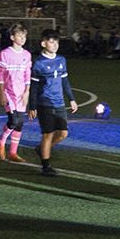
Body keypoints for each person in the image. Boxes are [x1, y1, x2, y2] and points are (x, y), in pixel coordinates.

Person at [29, 28, 77, 176]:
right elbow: (34, 87)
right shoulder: (39, 63)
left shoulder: (61, 60)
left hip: (59, 102)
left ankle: (42, 149)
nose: (55, 44)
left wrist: (72, 99)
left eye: (57, 41)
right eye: (51, 42)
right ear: (43, 43)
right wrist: (32, 106)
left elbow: (65, 81)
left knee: (63, 133)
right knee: (48, 134)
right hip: (45, 103)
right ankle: (46, 166)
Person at [0, 25, 33, 161]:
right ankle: (1, 141)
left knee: (20, 123)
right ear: (12, 37)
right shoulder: (5, 53)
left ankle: (13, 152)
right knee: (13, 120)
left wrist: (27, 91)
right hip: (9, 92)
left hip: (21, 93)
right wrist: (1, 93)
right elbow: (0, 74)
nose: (23, 38)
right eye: (19, 36)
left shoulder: (27, 55)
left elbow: (27, 74)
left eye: (24, 36)